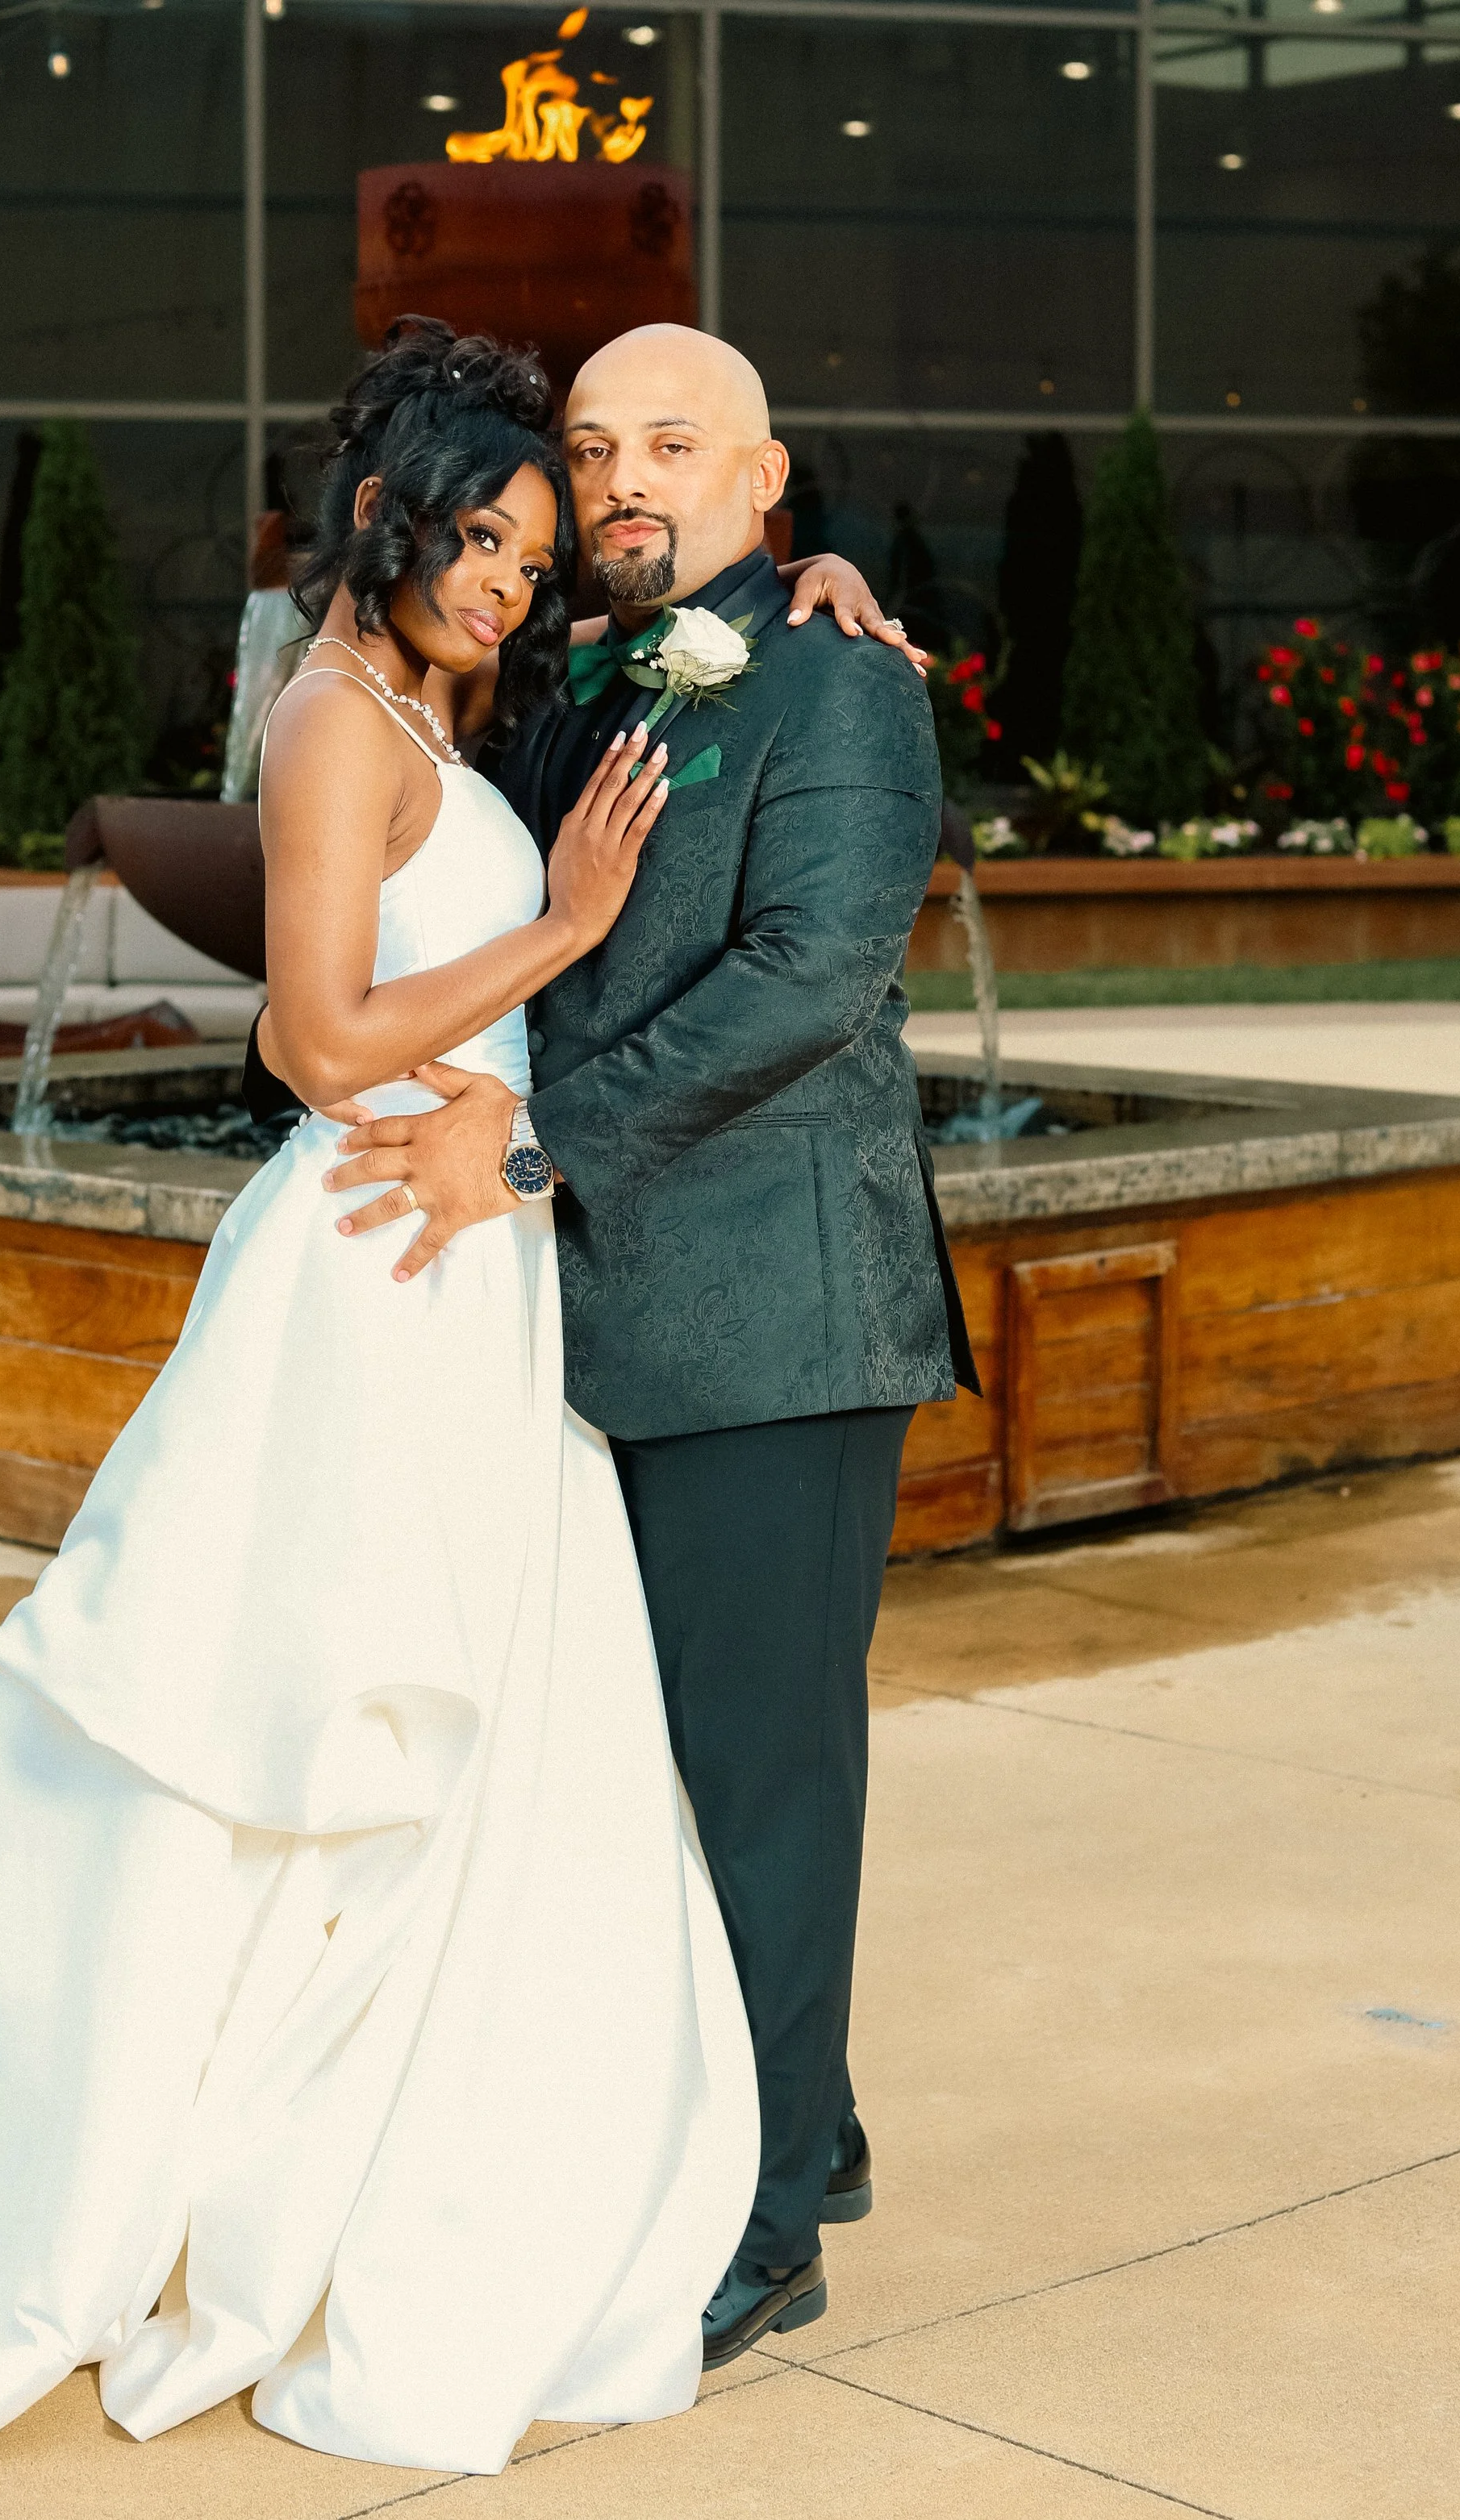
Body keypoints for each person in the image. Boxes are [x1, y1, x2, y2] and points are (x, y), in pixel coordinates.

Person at [0, 327, 761, 2476]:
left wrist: (813, 592)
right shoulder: (328, 721)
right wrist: (560, 928)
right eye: (484, 540)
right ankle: (76, 2175)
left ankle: (338, 2141)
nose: (513, 581)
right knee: (270, 1732)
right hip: (362, 1289)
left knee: (408, 1723)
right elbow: (311, 1042)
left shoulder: (412, 706)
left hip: (448, 1276)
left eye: (531, 548)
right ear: (391, 521)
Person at [315, 321, 978, 2365]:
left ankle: (769, 2218)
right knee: (648, 1766)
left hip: (778, 1317)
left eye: (669, 443)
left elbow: (803, 980)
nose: (620, 477)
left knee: (757, 1778)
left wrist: (523, 1145)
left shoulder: (839, 680)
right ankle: (819, 2120)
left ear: (763, 480)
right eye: (594, 445)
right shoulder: (570, 680)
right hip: (597, 1327)